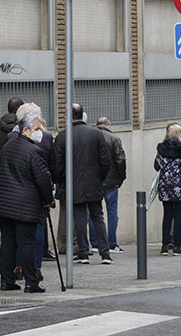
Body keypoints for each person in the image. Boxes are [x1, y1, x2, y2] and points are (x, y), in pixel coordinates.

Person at [0, 111, 53, 293]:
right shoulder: (35, 151)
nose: (39, 132)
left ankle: (6, 280)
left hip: (4, 203)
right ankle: (31, 282)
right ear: (25, 130)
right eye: (36, 128)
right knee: (27, 244)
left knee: (8, 242)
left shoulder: (7, 147)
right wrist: (48, 200)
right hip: (25, 204)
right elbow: (43, 180)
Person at [55, 103, 112, 265]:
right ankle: (105, 253)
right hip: (94, 182)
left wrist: (62, 180)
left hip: (74, 183)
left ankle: (83, 252)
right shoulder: (96, 134)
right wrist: (99, 177)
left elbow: (58, 165)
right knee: (98, 216)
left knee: (79, 219)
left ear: (68, 117)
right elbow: (105, 160)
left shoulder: (63, 137)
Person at [154, 123, 181, 255]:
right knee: (179, 216)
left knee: (167, 215)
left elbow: (156, 166)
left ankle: (165, 245)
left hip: (166, 186)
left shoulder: (162, 149)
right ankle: (177, 246)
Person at [89, 116, 126, 254]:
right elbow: (120, 160)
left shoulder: (91, 137)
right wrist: (121, 177)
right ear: (108, 125)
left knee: (94, 213)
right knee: (112, 212)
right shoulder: (114, 138)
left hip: (94, 181)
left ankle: (95, 242)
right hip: (111, 181)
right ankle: (111, 243)